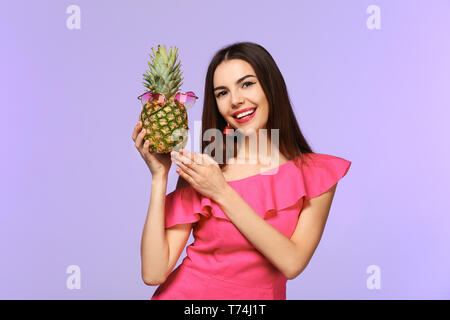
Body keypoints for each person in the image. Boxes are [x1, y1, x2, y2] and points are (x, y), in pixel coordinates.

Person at [132, 42, 352, 300]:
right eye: (222, 93)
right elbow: (153, 274)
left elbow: (292, 263)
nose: (236, 100)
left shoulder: (316, 174)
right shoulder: (206, 168)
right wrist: (159, 177)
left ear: (271, 86)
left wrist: (222, 192)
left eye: (247, 84)